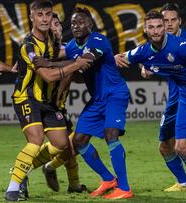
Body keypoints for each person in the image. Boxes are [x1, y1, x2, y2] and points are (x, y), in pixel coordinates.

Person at [115, 10, 186, 191]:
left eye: (160, 26)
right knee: (173, 147)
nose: (156, 31)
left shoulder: (182, 45)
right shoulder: (143, 50)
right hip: (182, 98)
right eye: (151, 27)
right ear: (144, 29)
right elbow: (121, 57)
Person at [5, 0, 90, 201]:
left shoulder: (52, 41)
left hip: (49, 102)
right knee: (35, 140)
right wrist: (76, 63)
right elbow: (49, 76)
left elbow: (63, 57)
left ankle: (23, 169)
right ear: (31, 17)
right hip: (26, 97)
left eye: (49, 15)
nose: (45, 19)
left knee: (62, 144)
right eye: (40, 15)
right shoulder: (28, 46)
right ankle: (13, 189)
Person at [64, 7, 133, 199]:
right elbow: (79, 74)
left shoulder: (99, 40)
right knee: (78, 141)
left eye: (81, 22)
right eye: (73, 23)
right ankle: (108, 179)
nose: (76, 26)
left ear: (90, 24)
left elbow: (87, 61)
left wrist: (64, 66)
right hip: (97, 99)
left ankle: (125, 188)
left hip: (115, 93)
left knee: (110, 134)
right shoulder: (70, 47)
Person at [26, 12, 87, 194]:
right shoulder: (40, 52)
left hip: (58, 107)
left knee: (69, 149)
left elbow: (79, 78)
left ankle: (71, 183)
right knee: (66, 145)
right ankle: (23, 171)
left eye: (58, 24)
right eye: (51, 25)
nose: (56, 28)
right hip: (40, 106)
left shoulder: (69, 49)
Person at [157, 3, 186, 192]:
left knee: (182, 146)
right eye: (164, 20)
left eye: (172, 20)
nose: (168, 24)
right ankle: (183, 183)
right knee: (165, 146)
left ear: (179, 21)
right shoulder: (159, 42)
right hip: (173, 99)